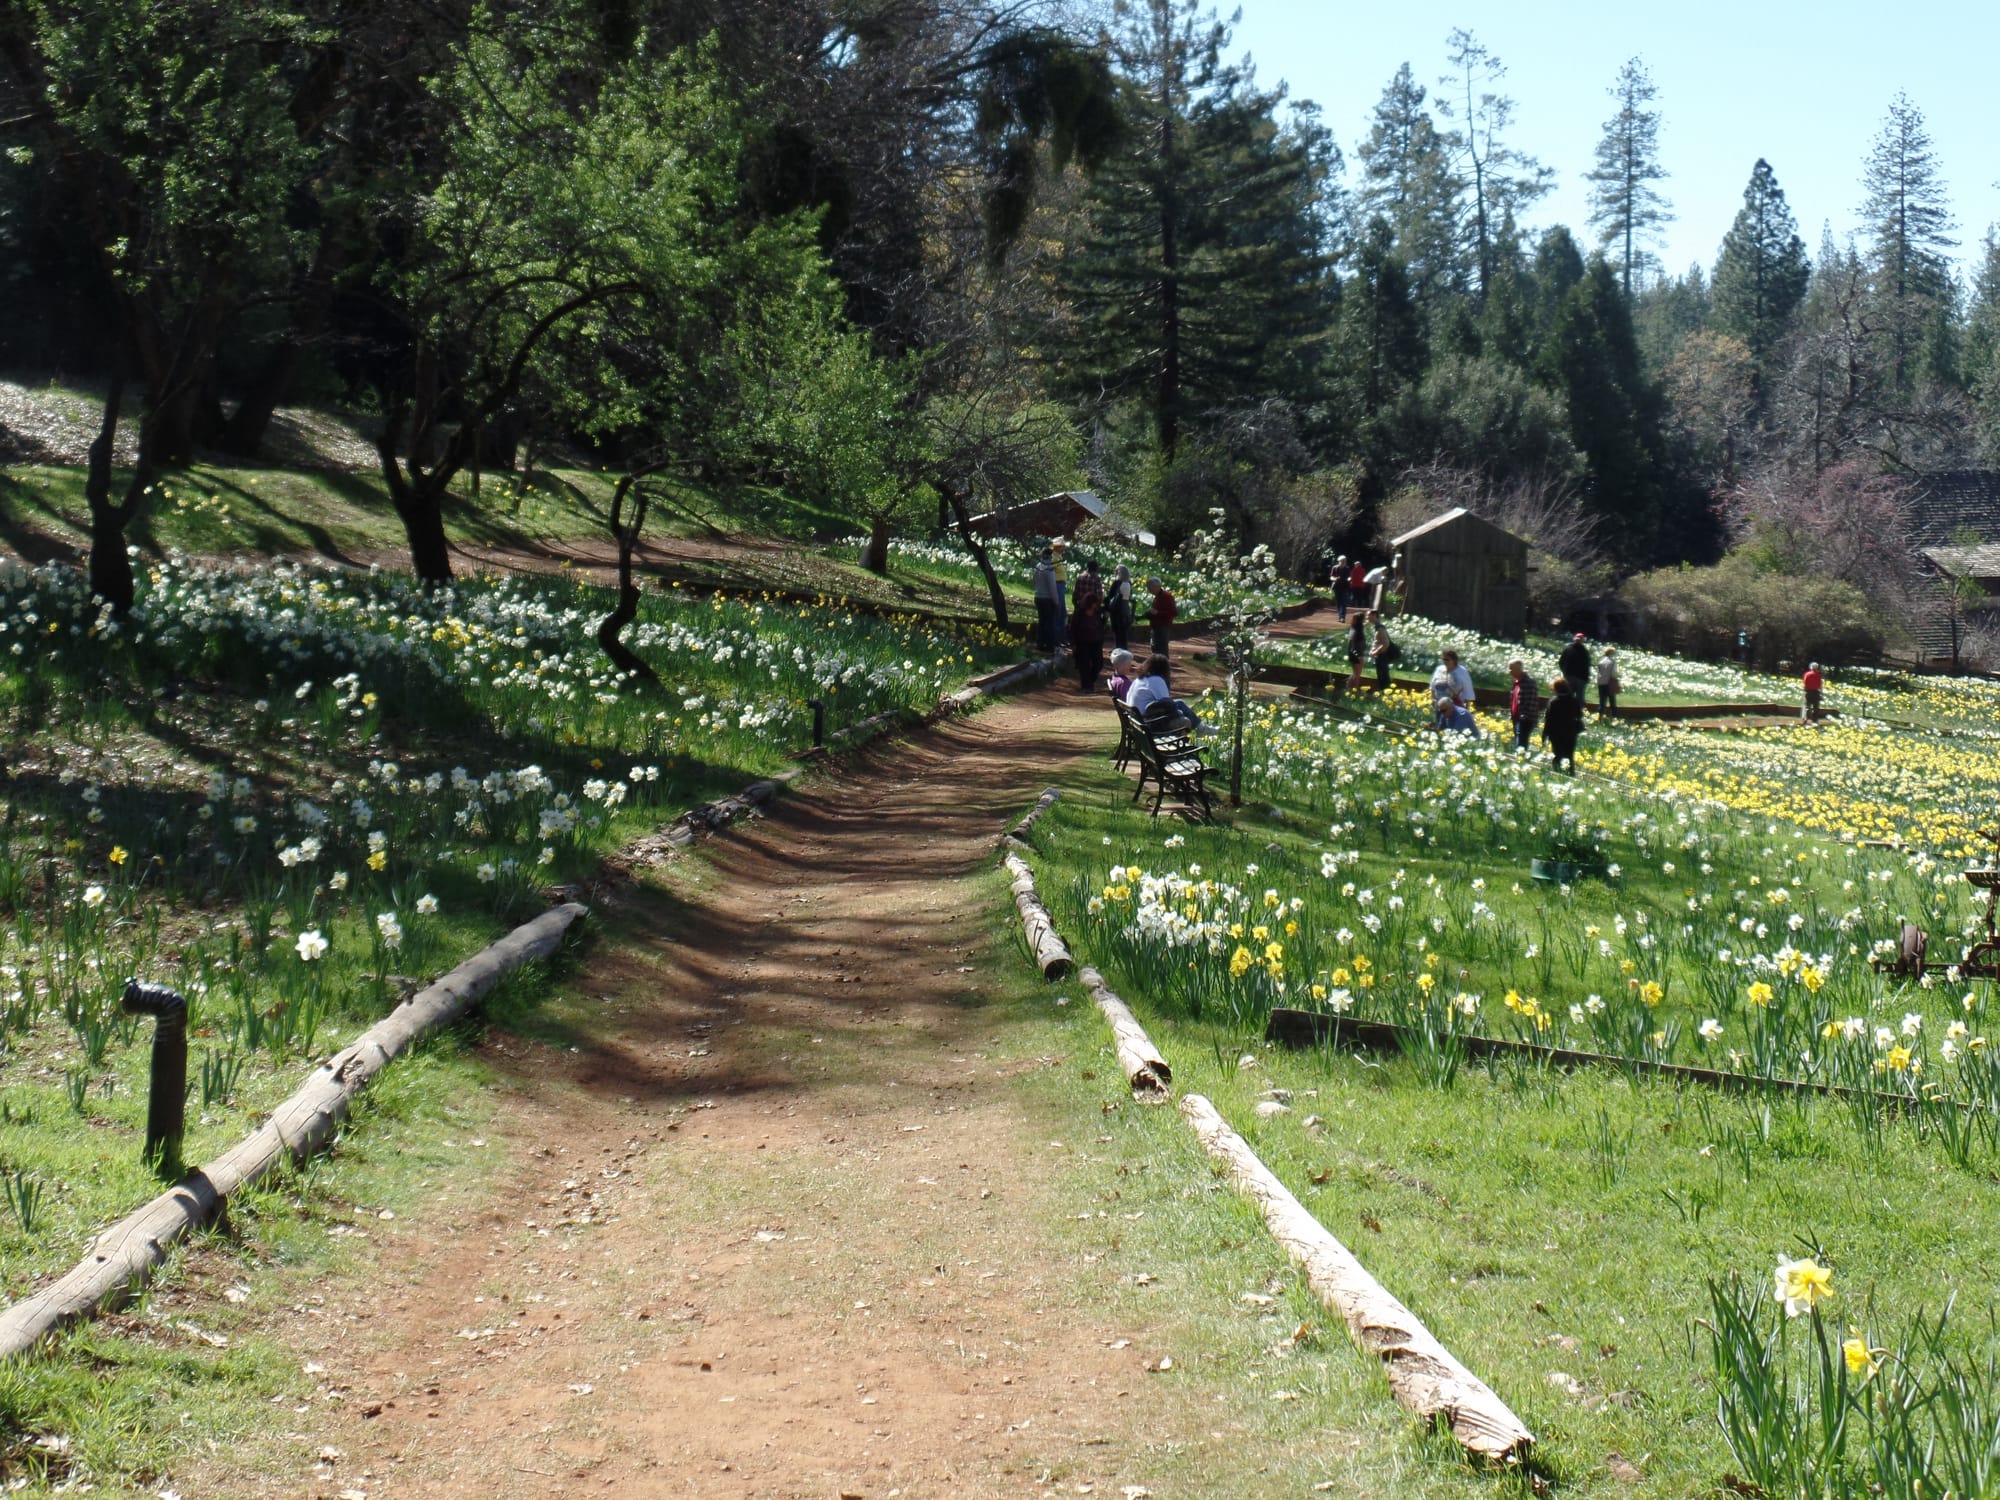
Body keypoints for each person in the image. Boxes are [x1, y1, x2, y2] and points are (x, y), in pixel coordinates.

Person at [1126, 654, 1198, 731]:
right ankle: (1201, 728)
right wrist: (1180, 713)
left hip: (1136, 721)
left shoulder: (1139, 680)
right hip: (1149, 724)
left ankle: (1201, 728)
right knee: (1184, 720)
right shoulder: (1156, 680)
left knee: (1179, 703)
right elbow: (1167, 705)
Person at [1429, 649, 1478, 734]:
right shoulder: (1439, 670)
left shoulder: (1461, 672)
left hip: (1454, 705)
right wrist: (1432, 698)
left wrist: (1467, 707)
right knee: (1440, 726)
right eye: (1443, 659)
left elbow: (1468, 690)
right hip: (1439, 704)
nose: (1445, 662)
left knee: (1454, 729)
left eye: (1447, 660)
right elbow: (1432, 686)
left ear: (1454, 660)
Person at [1542, 677, 1584, 771]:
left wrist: (1544, 734)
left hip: (1556, 733)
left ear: (1556, 688)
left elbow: (1548, 719)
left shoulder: (1554, 702)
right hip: (1570, 732)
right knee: (1569, 755)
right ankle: (1570, 773)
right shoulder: (1574, 700)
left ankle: (1557, 773)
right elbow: (1579, 715)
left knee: (1558, 754)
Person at [1070, 589, 1107, 693]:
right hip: (1082, 642)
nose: (1096, 605)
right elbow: (1072, 628)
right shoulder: (1079, 614)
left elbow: (1101, 626)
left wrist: (1105, 618)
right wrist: (1073, 643)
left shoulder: (1098, 613)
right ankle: (1086, 686)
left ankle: (1090, 681)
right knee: (1084, 665)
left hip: (1096, 642)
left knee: (1098, 663)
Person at [1507, 658, 1540, 751]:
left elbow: (1531, 701)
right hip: (1516, 717)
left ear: (1518, 669)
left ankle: (1520, 761)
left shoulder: (1529, 683)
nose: (1509, 672)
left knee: (1521, 743)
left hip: (1525, 719)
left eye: (1511, 669)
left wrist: (1524, 716)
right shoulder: (1516, 682)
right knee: (1519, 741)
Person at [1031, 548, 1059, 654]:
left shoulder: (1038, 567)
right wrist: (1056, 601)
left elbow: (1034, 581)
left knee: (1042, 622)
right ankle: (1049, 645)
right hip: (1047, 599)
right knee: (1050, 623)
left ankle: (1040, 643)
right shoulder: (1049, 569)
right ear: (1050, 557)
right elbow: (1052, 587)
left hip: (1038, 596)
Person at [1144, 576, 1178, 656]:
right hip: (1156, 626)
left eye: (1150, 587)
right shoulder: (1158, 596)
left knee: (1162, 649)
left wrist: (1158, 613)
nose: (1148, 589)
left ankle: (1163, 666)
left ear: (1157, 587)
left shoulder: (1166, 596)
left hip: (1163, 626)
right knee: (1155, 648)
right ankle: (1157, 665)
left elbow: (1174, 612)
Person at [1107, 565, 1135, 651]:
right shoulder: (1128, 583)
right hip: (1125, 608)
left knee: (1116, 630)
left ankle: (1118, 648)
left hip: (1116, 609)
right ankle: (1124, 648)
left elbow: (1110, 596)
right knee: (1123, 631)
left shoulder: (1117, 582)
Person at [1370, 620, 1399, 692]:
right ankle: (1384, 690)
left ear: (1375, 616)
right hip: (1380, 655)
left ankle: (1385, 691)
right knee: (1382, 675)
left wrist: (1375, 652)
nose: (1367, 617)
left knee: (1383, 675)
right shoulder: (1377, 628)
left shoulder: (1380, 629)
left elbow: (1386, 644)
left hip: (1382, 656)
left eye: (1369, 615)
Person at [1344, 613, 1369, 694]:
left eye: (1354, 619)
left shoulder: (1354, 629)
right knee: (1356, 675)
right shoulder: (1357, 631)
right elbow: (1360, 644)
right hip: (1357, 654)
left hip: (1354, 653)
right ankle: (1352, 690)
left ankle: (1349, 689)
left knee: (1355, 673)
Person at [1595, 647, 1620, 719]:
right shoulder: (1612, 662)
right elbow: (1613, 674)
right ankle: (1613, 716)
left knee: (1602, 701)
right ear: (1611, 653)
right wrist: (1617, 676)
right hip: (1609, 683)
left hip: (1601, 683)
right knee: (1612, 700)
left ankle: (1600, 717)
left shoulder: (1601, 662)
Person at [1331, 554, 1350, 621]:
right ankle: (1340, 616)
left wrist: (1349, 579)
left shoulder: (1347, 569)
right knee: (1338, 602)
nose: (1343, 562)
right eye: (1342, 561)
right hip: (1337, 587)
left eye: (1344, 561)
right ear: (1339, 561)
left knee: (1344, 602)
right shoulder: (1335, 568)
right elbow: (1331, 577)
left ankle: (1342, 617)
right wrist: (1334, 579)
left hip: (1344, 587)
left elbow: (1348, 577)